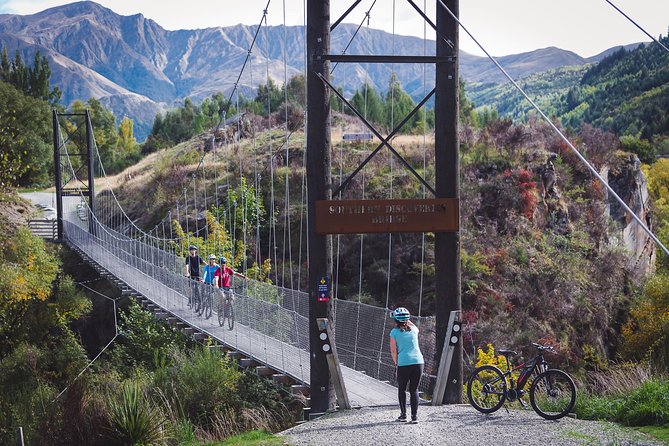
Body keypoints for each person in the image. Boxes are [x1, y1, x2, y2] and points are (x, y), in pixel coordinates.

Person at [389, 307, 424, 424]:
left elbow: (393, 351)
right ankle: (414, 417)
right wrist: (406, 320)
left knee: (402, 389)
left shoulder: (394, 332)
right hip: (419, 362)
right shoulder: (414, 329)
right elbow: (410, 323)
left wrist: (396, 362)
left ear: (395, 320)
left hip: (404, 363)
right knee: (414, 389)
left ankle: (403, 415)